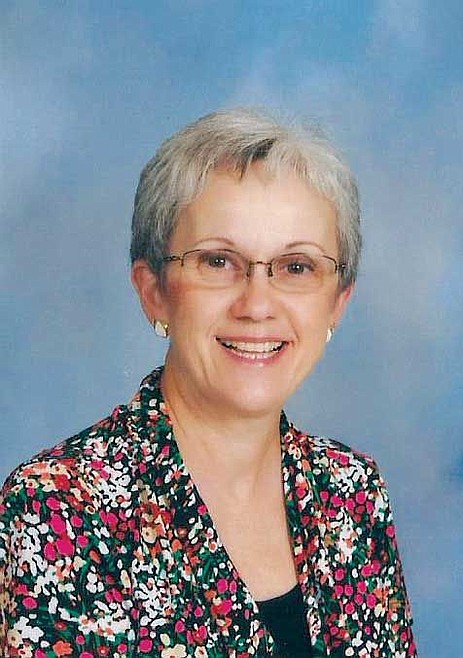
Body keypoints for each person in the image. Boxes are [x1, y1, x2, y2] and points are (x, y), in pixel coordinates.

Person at [0, 108, 417, 658]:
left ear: (338, 302)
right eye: (218, 262)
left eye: (296, 267)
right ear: (154, 290)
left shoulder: (353, 492)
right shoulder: (56, 511)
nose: (257, 305)